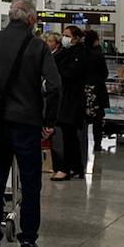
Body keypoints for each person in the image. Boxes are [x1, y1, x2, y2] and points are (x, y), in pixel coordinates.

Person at [0, 0, 62, 247]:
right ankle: (28, 241)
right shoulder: (38, 46)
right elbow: (54, 86)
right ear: (31, 20)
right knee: (30, 184)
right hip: (27, 123)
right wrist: (49, 121)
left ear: (11, 16)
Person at [47, 27, 87, 181]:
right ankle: (76, 167)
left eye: (67, 36)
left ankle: (64, 168)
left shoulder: (79, 54)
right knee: (70, 135)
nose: (64, 38)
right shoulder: (65, 53)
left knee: (66, 136)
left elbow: (70, 73)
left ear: (75, 38)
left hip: (71, 99)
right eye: (63, 35)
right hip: (67, 98)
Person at [83, 29, 109, 150]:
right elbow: (105, 73)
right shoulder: (98, 55)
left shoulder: (81, 53)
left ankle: (82, 142)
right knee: (97, 120)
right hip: (97, 90)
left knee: (82, 119)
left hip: (83, 89)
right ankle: (97, 144)